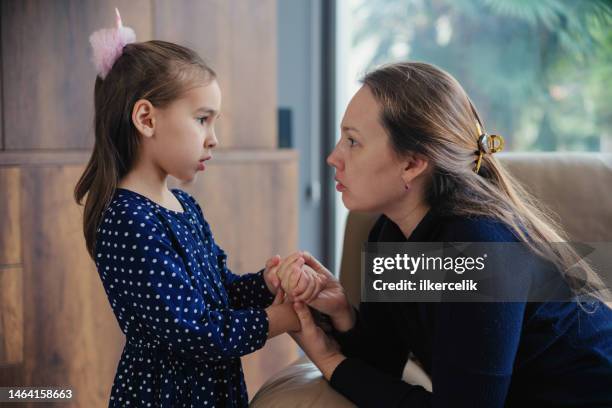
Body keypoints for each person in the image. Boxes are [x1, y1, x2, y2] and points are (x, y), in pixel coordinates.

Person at [282, 62, 612, 407]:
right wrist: (341, 315)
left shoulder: (478, 249)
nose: (333, 157)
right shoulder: (391, 234)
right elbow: (383, 362)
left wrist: (333, 364)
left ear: (412, 163)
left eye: (353, 141)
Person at [74, 10, 324, 407]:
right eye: (202, 120)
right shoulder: (127, 220)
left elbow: (217, 294)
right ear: (145, 118)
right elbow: (193, 329)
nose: (214, 139)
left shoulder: (183, 206)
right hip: (167, 396)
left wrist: (266, 283)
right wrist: (280, 320)